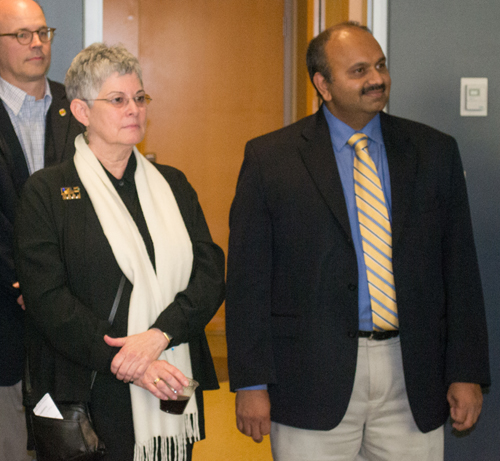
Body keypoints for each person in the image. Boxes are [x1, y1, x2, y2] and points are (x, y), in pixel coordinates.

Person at [225, 21, 490, 461]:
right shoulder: (271, 159)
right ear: (323, 85)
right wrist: (251, 383)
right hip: (309, 378)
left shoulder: (435, 151)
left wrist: (466, 373)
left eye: (381, 66)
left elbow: (459, 270)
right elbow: (248, 282)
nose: (376, 79)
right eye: (359, 70)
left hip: (413, 376)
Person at [14, 43, 225, 461]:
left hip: (170, 375)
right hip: (89, 388)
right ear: (81, 112)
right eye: (117, 100)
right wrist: (132, 362)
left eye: (139, 98)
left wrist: (159, 336)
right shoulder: (47, 191)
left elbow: (209, 273)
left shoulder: (173, 185)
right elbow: (47, 299)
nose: (134, 109)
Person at [0, 0, 83, 459]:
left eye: (42, 32)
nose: (37, 43)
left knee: (74, 445)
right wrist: (26, 282)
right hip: (6, 322)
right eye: (21, 35)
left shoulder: (80, 110)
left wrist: (53, 290)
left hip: (72, 321)